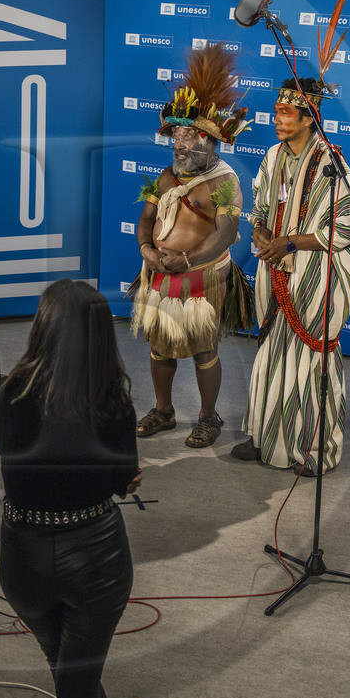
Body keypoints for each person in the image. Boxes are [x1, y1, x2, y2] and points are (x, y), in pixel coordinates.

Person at [0, 279, 151, 698]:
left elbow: (10, 456)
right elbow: (120, 479)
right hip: (98, 560)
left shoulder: (5, 394)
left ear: (42, 329)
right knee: (76, 686)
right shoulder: (114, 404)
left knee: (71, 680)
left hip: (25, 563)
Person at [232, 77, 350, 471]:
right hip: (274, 267)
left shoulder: (332, 163)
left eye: (286, 113)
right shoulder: (272, 157)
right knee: (272, 353)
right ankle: (265, 437)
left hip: (312, 275)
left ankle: (318, 450)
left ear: (309, 118)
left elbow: (346, 229)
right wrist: (260, 233)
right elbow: (258, 209)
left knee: (309, 360)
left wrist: (288, 243)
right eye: (276, 112)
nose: (277, 119)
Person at [129, 43, 253, 449]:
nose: (179, 145)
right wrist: (148, 251)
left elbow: (225, 233)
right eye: (176, 137)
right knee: (160, 348)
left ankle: (207, 417)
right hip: (161, 273)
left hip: (202, 278)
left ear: (210, 141)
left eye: (188, 137)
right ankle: (164, 411)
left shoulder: (224, 182)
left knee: (203, 350)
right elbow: (146, 219)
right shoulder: (166, 176)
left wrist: (186, 259)